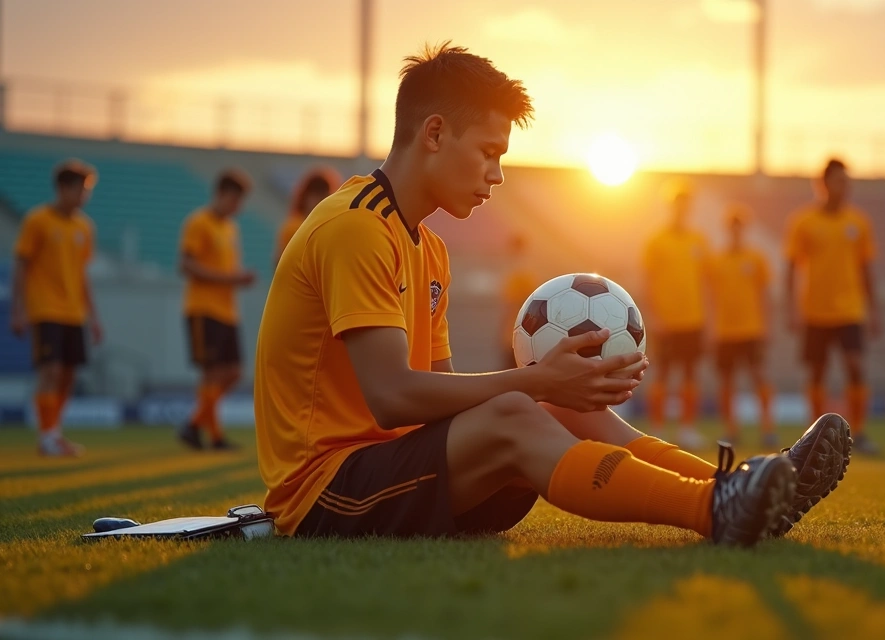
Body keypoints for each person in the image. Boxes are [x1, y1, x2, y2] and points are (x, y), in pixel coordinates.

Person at [254, 43, 851, 547]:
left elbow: (439, 392)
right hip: (326, 493)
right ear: (434, 133)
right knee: (522, 404)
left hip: (399, 474)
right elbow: (392, 398)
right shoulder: (355, 227)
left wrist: (563, 392)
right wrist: (536, 382)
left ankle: (739, 488)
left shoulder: (427, 247)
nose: (497, 174)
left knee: (552, 406)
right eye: (488, 152)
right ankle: (716, 510)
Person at [784, 159, 881, 455]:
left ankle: (860, 432)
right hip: (815, 311)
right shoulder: (803, 222)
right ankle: (815, 434)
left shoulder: (859, 222)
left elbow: (866, 269)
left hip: (850, 310)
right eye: (839, 181)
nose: (845, 187)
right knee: (817, 373)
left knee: (855, 366)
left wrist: (873, 310)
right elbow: (790, 268)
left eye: (847, 181)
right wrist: (790, 307)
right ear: (823, 184)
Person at [10, 160, 103, 457]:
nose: (83, 196)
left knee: (68, 374)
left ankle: (54, 432)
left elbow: (81, 274)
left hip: (74, 312)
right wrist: (18, 310)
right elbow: (22, 266)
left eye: (87, 190)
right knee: (50, 370)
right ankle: (46, 436)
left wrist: (94, 316)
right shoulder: (37, 221)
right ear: (63, 188)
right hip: (46, 308)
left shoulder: (84, 227)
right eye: (80, 189)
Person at [177, 169, 257, 451]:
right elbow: (186, 265)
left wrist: (239, 277)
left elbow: (226, 270)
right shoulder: (199, 223)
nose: (238, 207)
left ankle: (194, 424)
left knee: (234, 372)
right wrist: (231, 278)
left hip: (227, 311)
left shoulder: (230, 228)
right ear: (221, 194)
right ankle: (215, 436)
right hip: (203, 309)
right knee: (211, 373)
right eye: (235, 200)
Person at [640, 180, 710, 449]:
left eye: (687, 205)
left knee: (690, 374)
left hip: (693, 319)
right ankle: (657, 426)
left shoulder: (698, 241)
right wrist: (654, 316)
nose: (683, 210)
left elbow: (705, 280)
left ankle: (686, 428)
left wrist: (708, 316)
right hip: (666, 321)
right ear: (671, 206)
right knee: (662, 374)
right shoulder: (657, 241)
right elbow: (648, 281)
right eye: (678, 204)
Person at [706, 204, 776, 447]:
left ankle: (768, 428)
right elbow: (711, 296)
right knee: (727, 382)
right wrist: (712, 326)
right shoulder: (716, 260)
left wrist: (766, 325)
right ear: (727, 229)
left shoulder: (756, 259)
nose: (736, 232)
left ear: (744, 229)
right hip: (725, 330)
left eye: (739, 227)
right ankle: (731, 429)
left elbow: (764, 294)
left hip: (751, 329)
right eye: (732, 227)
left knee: (759, 378)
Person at [273, 166, 341, 271]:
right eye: (316, 195)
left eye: (324, 196)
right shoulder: (294, 227)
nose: (320, 201)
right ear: (305, 197)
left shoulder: (328, 227)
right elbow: (280, 263)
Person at [501, 234, 541, 370]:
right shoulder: (516, 271)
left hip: (518, 334)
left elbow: (525, 305)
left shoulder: (523, 273)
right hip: (511, 333)